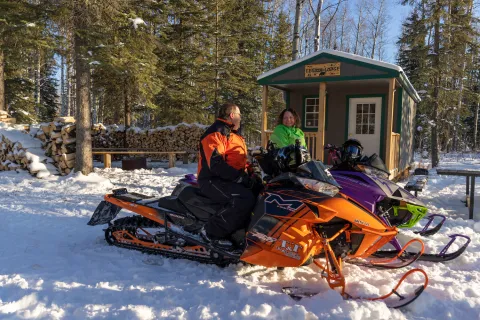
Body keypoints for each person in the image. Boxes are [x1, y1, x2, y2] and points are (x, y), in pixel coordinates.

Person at [197, 103, 258, 248]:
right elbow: (216, 164)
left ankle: (245, 232)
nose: (240, 118)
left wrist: (253, 172)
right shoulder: (216, 133)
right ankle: (211, 231)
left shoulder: (233, 134)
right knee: (243, 198)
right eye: (239, 115)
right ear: (232, 115)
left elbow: (239, 160)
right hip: (212, 180)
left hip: (227, 178)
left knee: (259, 191)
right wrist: (239, 177)